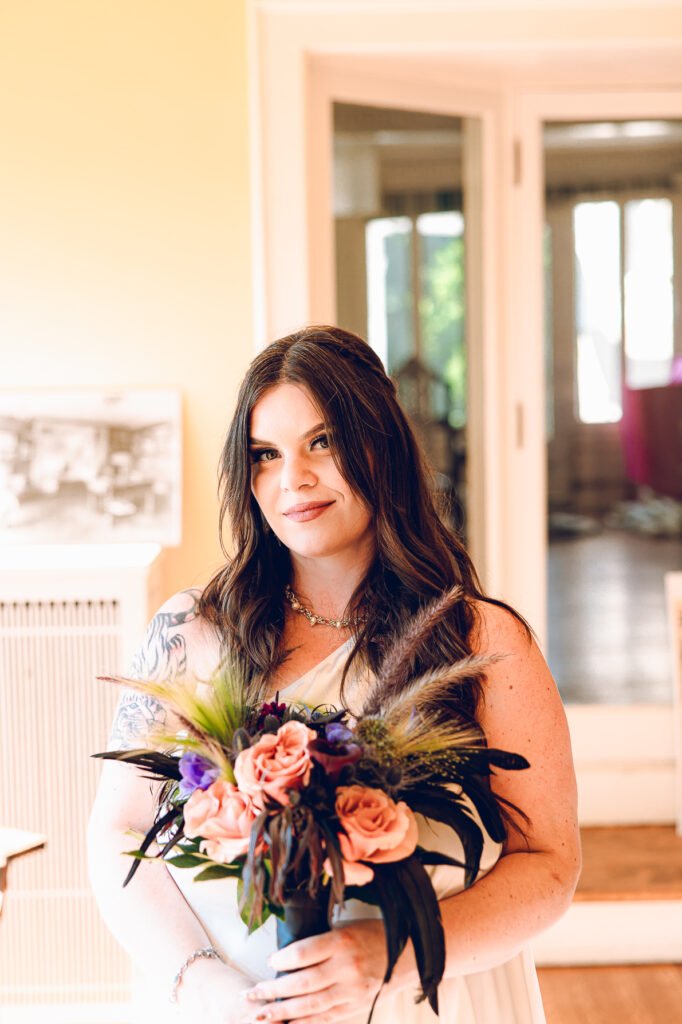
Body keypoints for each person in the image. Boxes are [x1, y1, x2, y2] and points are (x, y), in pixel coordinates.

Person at [88, 325, 581, 1024]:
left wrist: (393, 955)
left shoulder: (481, 644)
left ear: (381, 443)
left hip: (422, 1002)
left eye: (322, 442)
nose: (294, 480)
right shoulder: (192, 633)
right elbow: (116, 835)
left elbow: (550, 864)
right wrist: (198, 985)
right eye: (266, 455)